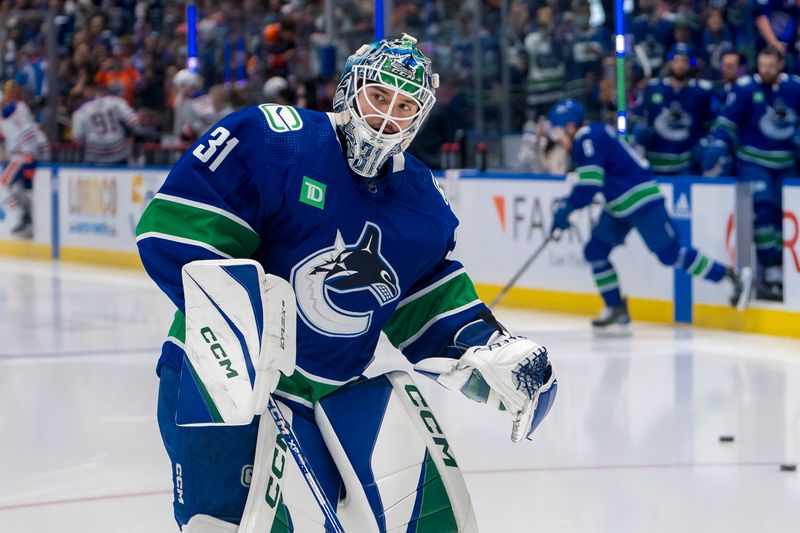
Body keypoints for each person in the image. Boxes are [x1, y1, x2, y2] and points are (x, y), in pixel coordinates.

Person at [136, 35, 557, 531]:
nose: (386, 117)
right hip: (221, 375)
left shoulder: (421, 196)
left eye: (404, 106)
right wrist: (245, 317)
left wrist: (486, 347)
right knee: (227, 526)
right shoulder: (273, 138)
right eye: (378, 96)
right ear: (348, 89)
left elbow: (424, 294)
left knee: (432, 516)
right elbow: (172, 230)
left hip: (333, 390)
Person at [548, 99, 751, 333]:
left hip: (640, 199)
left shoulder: (586, 138)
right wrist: (570, 205)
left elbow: (591, 184)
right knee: (595, 250)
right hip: (619, 205)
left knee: (670, 254)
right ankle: (616, 308)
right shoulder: (591, 134)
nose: (557, 138)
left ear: (570, 126)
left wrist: (567, 207)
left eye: (557, 131)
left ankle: (729, 275)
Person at [703, 46, 800, 300]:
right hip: (753, 161)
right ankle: (771, 267)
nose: (765, 70)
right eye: (762, 65)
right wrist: (718, 143)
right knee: (764, 210)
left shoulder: (795, 87)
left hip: (787, 162)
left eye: (770, 66)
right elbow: (727, 120)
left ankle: (783, 266)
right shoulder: (745, 88)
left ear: (781, 65)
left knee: (785, 215)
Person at [632, 44, 717, 174]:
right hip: (654, 160)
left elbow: (712, 124)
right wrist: (639, 131)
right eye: (676, 60)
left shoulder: (703, 91)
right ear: (669, 62)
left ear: (691, 63)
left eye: (685, 61)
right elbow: (637, 118)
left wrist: (705, 142)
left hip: (687, 162)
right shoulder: (652, 88)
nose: (680, 65)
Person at [0, 80, 48, 238]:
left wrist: (31, 153)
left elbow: (31, 131)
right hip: (20, 156)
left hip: (23, 156)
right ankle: (26, 216)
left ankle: (25, 216)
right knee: (21, 189)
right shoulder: (4, 118)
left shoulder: (19, 109)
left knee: (4, 184)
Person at [71, 81, 143, 165]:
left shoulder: (80, 111)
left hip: (94, 156)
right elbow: (134, 122)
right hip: (119, 153)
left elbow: (78, 140)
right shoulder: (115, 101)